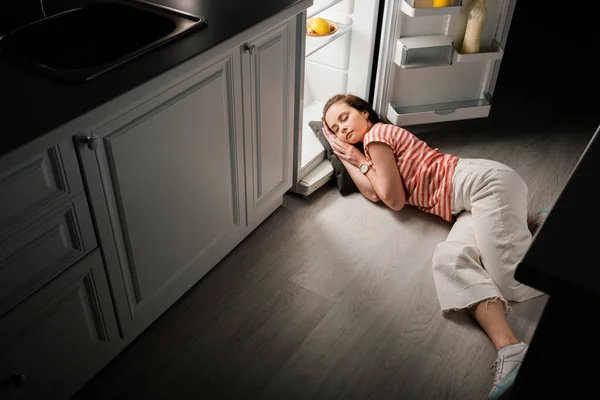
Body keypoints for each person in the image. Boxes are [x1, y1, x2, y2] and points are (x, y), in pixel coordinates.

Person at [321, 93, 547, 400]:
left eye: (345, 117)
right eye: (335, 129)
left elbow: (394, 199)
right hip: (465, 204)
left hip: (483, 184)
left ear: (364, 112)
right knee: (449, 259)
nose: (341, 130)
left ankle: (554, 241)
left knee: (512, 283)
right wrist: (348, 156)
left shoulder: (376, 136)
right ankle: (512, 351)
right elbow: (374, 194)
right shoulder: (370, 150)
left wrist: (358, 158)